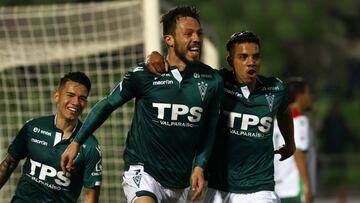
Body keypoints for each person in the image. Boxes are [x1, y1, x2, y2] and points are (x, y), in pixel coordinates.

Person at [60, 6, 223, 203]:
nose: (196, 39)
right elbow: (108, 104)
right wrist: (77, 142)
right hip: (143, 172)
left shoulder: (212, 80)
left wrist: (199, 166)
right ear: (169, 40)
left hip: (180, 181)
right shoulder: (144, 74)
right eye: (188, 34)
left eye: (199, 33)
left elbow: (210, 130)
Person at [146, 31, 295, 203]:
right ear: (231, 60)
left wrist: (290, 142)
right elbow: (181, 66)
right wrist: (154, 55)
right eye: (243, 57)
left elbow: (284, 111)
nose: (251, 62)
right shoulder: (216, 82)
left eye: (256, 57)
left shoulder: (275, 89)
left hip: (259, 188)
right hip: (218, 188)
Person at [0, 72, 102, 203]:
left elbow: (90, 196)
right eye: (70, 95)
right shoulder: (33, 127)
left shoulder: (90, 145)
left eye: (82, 98)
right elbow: (8, 163)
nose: (76, 102)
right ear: (57, 96)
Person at [273, 77, 315, 203]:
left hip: (279, 188)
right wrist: (307, 188)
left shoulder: (277, 121)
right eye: (308, 93)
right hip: (296, 189)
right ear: (299, 96)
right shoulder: (300, 121)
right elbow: (298, 152)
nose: (310, 97)